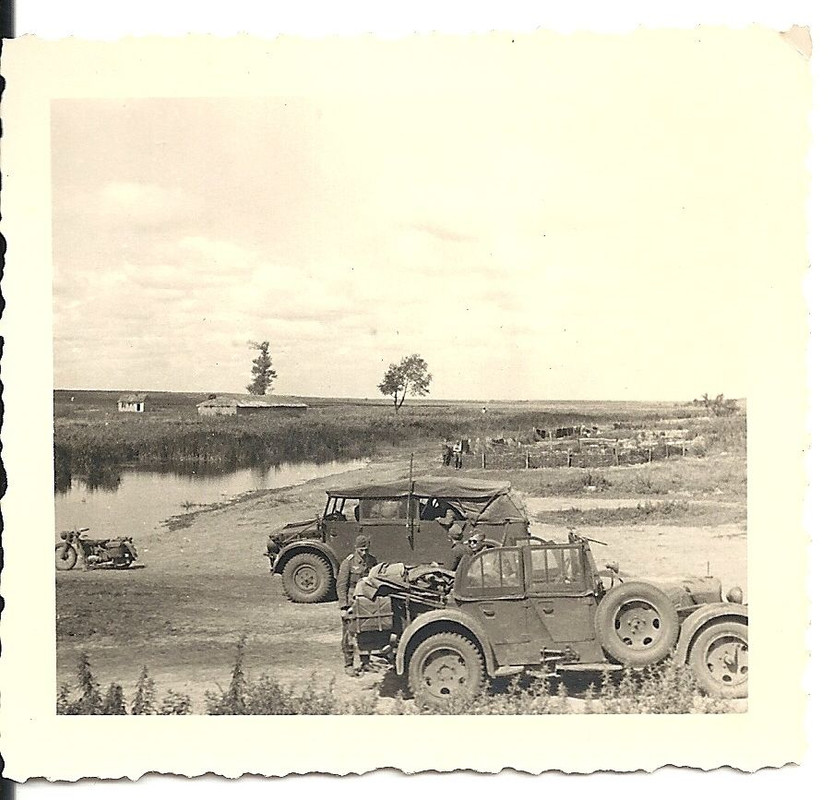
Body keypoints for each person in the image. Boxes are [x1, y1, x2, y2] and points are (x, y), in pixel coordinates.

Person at [336, 535, 377, 676]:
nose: (364, 553)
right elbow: (341, 586)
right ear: (356, 548)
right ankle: (348, 664)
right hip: (351, 603)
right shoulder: (348, 563)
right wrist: (343, 607)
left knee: (366, 632)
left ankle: (366, 662)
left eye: (366, 550)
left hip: (365, 602)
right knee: (349, 634)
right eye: (361, 550)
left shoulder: (372, 561)